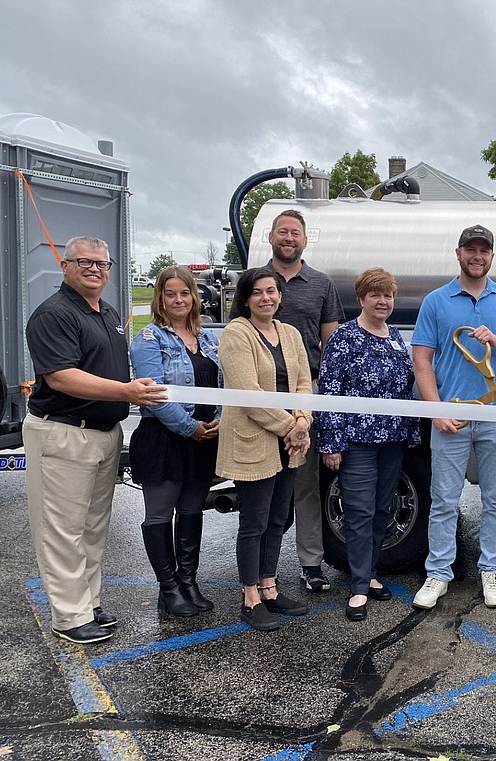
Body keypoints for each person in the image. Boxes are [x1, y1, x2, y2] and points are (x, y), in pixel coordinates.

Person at [24, 236, 167, 644]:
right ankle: (69, 617)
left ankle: (87, 602)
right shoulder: (53, 314)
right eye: (84, 262)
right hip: (64, 432)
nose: (95, 269)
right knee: (62, 529)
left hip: (103, 434)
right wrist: (127, 393)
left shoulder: (106, 312)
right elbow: (61, 376)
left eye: (102, 264)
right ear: (65, 266)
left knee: (91, 528)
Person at [410, 224, 496, 610]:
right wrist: (436, 410)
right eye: (471, 249)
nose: (477, 256)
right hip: (452, 418)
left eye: (484, 250)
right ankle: (438, 574)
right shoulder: (436, 301)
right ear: (459, 253)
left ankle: (492, 570)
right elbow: (421, 359)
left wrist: (495, 340)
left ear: (492, 256)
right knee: (444, 500)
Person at [316, 268, 421, 622]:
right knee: (358, 513)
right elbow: (329, 392)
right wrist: (330, 443)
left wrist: (411, 432)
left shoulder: (396, 337)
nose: (382, 301)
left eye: (388, 295)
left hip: (392, 441)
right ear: (361, 298)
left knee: (382, 510)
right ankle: (359, 586)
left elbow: (405, 390)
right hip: (356, 441)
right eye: (375, 294)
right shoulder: (345, 337)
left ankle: (372, 572)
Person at [216, 267, 313, 632]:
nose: (266, 298)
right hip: (255, 440)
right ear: (245, 298)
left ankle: (270, 587)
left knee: (278, 519)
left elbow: (305, 384)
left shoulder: (289, 333)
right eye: (257, 292)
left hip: (291, 443)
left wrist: (302, 422)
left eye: (271, 291)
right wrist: (292, 426)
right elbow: (248, 395)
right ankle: (250, 597)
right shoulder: (236, 333)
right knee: (253, 523)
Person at [129, 266, 222, 617]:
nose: (179, 299)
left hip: (203, 438)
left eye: (185, 293)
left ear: (195, 298)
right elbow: (155, 396)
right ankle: (168, 589)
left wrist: (217, 422)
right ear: (160, 298)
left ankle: (188, 582)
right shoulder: (149, 339)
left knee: (191, 511)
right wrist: (189, 427)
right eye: (171, 293)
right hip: (164, 438)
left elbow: (222, 386)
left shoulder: (209, 340)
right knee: (159, 515)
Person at [263, 210, 344, 594]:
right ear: (271, 237)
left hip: (305, 393)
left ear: (305, 241)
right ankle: (264, 569)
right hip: (261, 393)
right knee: (263, 483)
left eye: (296, 233)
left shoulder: (322, 284)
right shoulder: (255, 283)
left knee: (305, 483)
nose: (289, 238)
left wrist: (323, 402)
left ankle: (311, 564)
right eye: (283, 232)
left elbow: (331, 345)